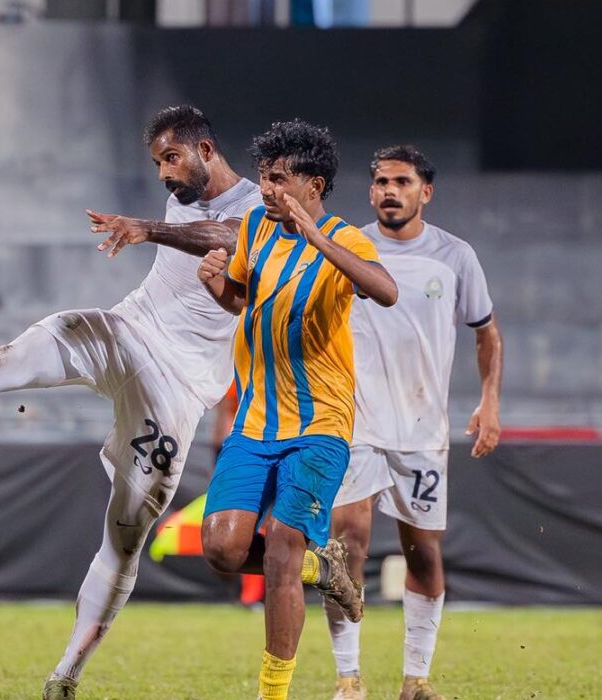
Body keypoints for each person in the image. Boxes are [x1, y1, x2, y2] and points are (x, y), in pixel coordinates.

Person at [0, 105, 361, 700]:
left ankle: (67, 672)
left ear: (205, 150)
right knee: (4, 362)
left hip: (178, 390)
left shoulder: (261, 207)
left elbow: (233, 236)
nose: (164, 174)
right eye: (157, 163)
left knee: (126, 537)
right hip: (127, 330)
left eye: (171, 159)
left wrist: (146, 229)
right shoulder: (185, 198)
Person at [195, 119, 399, 700]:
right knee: (222, 549)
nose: (265, 189)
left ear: (313, 185)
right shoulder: (256, 227)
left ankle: (273, 693)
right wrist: (217, 286)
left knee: (284, 542)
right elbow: (244, 299)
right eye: (263, 176)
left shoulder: (347, 239)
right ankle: (322, 569)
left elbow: (386, 292)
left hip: (320, 424)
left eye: (279, 179)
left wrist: (315, 236)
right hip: (254, 421)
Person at [323, 145, 502, 700]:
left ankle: (416, 681)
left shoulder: (455, 256)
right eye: (381, 181)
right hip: (355, 421)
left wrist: (490, 401)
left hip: (422, 428)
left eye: (402, 181)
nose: (389, 191)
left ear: (426, 191)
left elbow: (486, 332)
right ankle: (348, 679)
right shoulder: (346, 246)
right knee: (346, 545)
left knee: (423, 552)